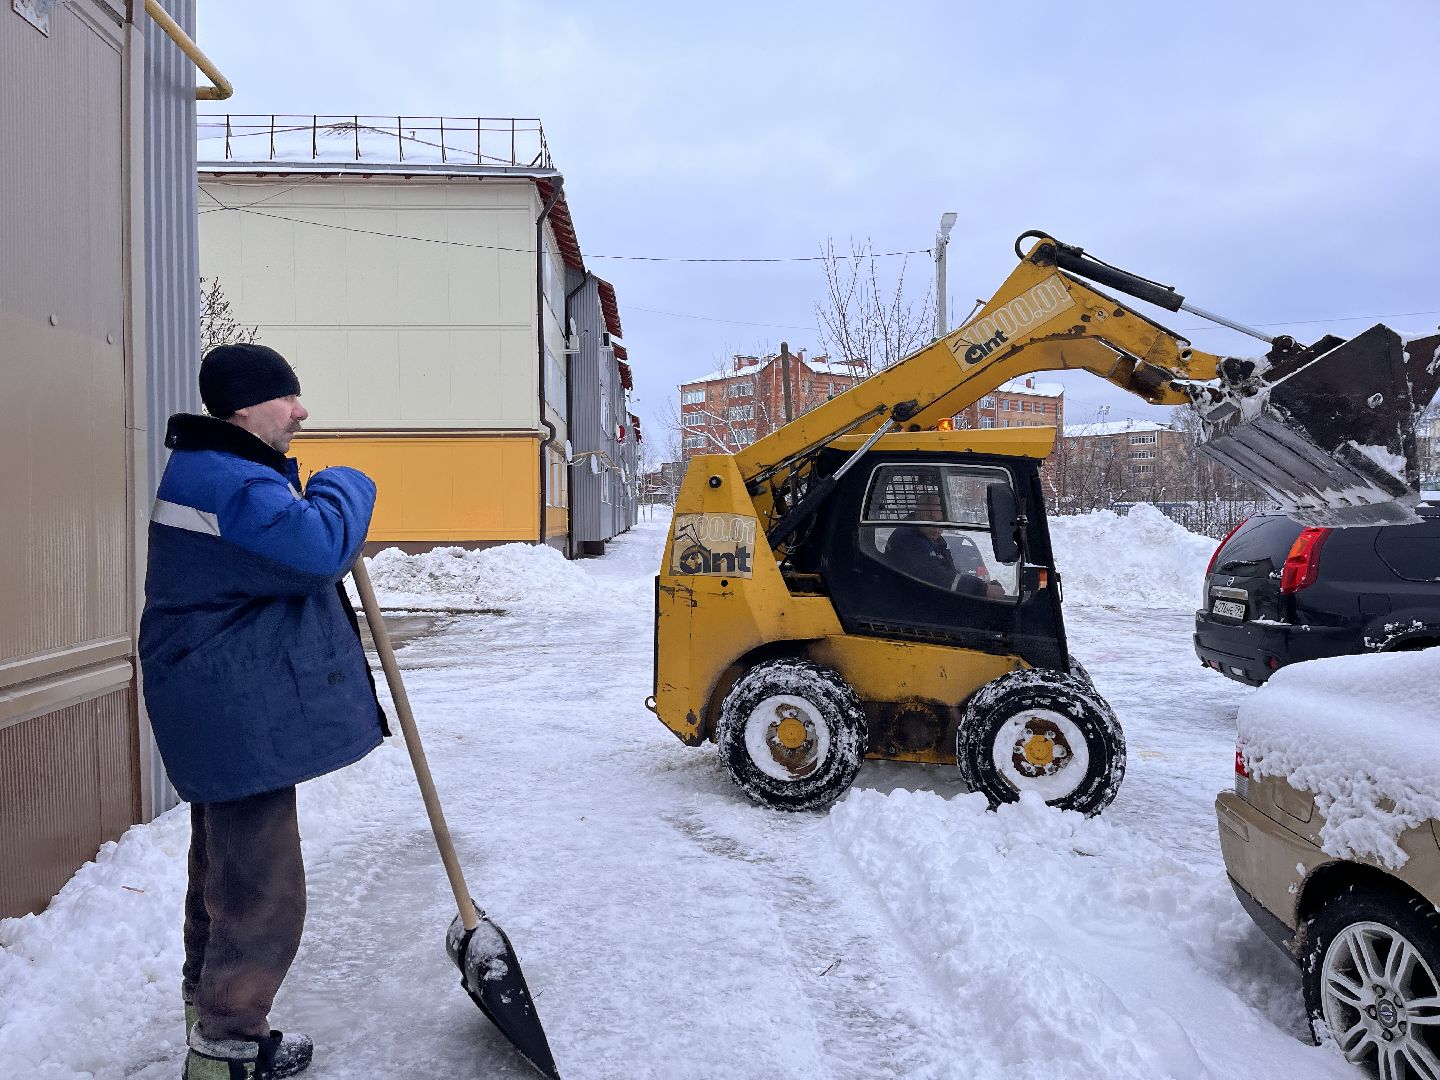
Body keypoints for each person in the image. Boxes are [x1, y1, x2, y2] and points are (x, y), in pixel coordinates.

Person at [139, 343, 387, 1080]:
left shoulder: (219, 473)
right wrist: (345, 484)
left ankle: (210, 1022)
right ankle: (230, 1047)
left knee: (223, 873)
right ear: (246, 408)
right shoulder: (230, 482)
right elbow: (316, 550)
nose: (301, 410)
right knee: (259, 888)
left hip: (220, 700)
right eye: (287, 397)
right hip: (229, 707)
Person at [885, 491, 1002, 597]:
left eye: (941, 522)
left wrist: (982, 585)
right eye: (930, 520)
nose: (937, 528)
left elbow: (950, 572)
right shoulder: (905, 538)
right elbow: (937, 577)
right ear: (917, 514)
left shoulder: (936, 540)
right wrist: (983, 589)